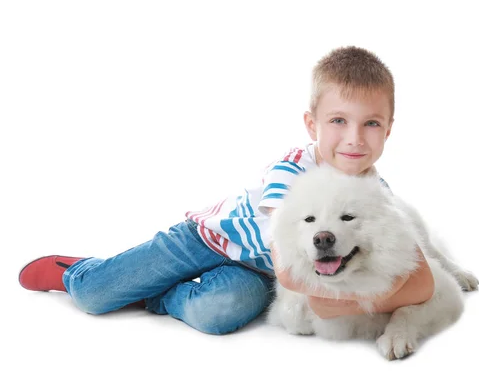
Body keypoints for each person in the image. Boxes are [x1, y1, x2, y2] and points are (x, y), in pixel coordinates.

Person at [18, 46, 434, 335]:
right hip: (212, 238)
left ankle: (155, 296)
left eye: (371, 124)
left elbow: (398, 249)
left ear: (388, 130)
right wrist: (359, 296)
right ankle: (78, 270)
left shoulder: (375, 192)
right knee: (94, 297)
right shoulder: (293, 171)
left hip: (255, 270)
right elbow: (288, 263)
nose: (354, 139)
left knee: (218, 313)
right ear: (313, 125)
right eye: (339, 121)